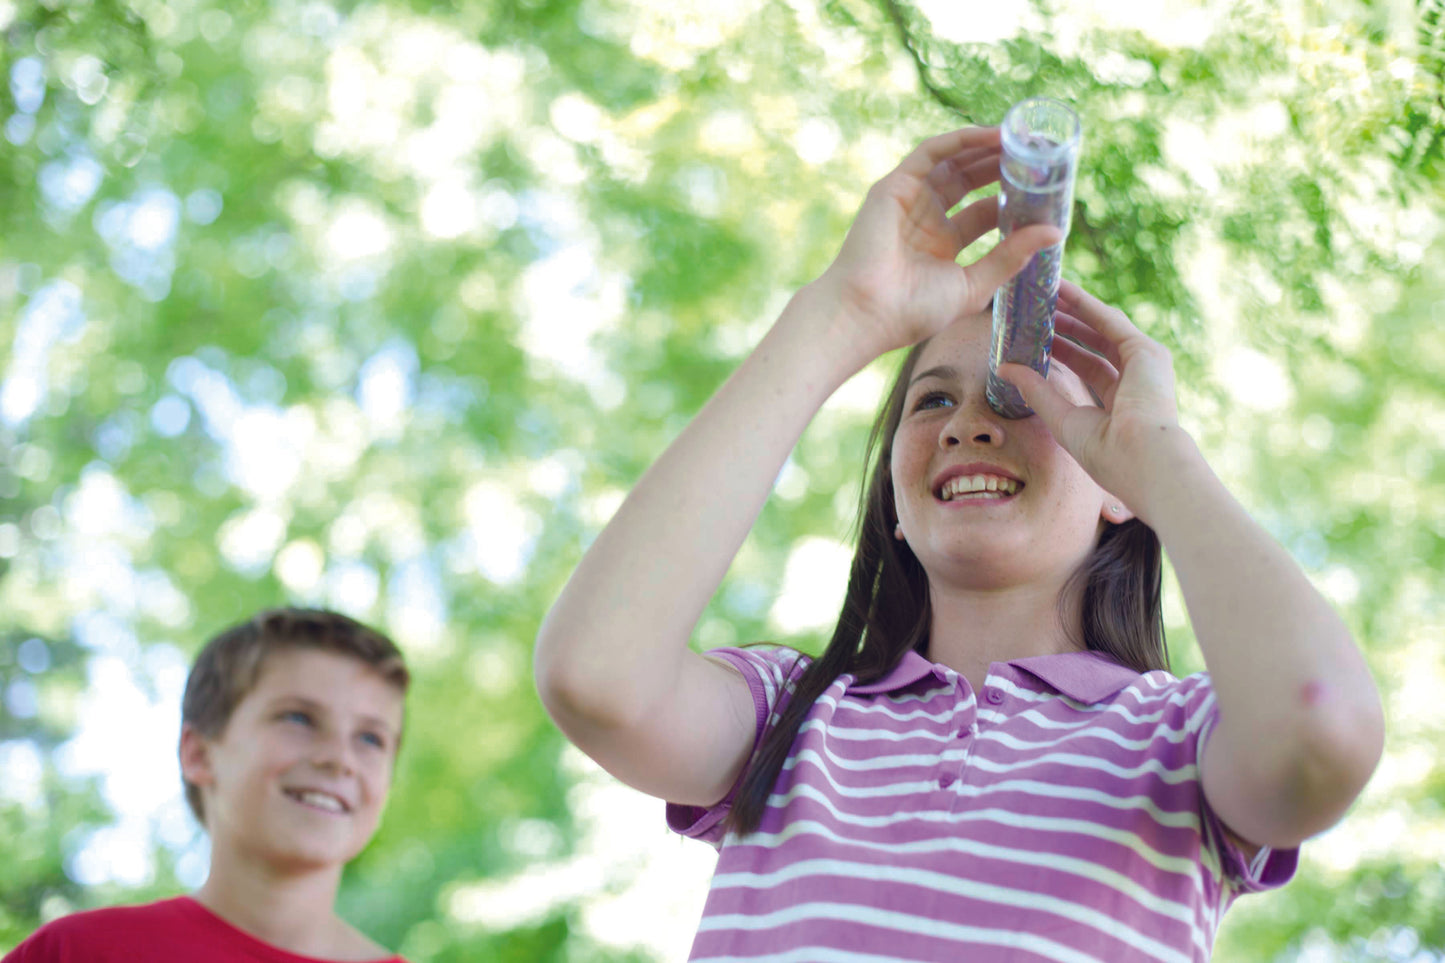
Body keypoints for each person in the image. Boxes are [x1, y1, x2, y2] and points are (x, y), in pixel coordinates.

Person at [534, 125, 1385, 961]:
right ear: (894, 507)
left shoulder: (1179, 740)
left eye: (1021, 399)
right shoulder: (787, 718)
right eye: (932, 401)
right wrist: (839, 316)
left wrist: (1160, 458)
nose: (967, 426)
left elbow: (1322, 733)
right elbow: (596, 678)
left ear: (1114, 485)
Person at [5, 608, 410, 963]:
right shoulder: (75, 952)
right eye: (298, 718)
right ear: (199, 754)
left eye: (371, 738)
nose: (339, 759)